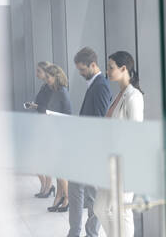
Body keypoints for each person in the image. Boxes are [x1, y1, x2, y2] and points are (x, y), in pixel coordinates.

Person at [94, 51, 144, 237]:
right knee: (100, 207)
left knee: (122, 211)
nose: (107, 71)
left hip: (124, 164)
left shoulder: (134, 96)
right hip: (111, 162)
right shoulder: (120, 95)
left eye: (111, 67)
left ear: (124, 69)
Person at [68, 47, 112, 237]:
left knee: (92, 195)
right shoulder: (95, 84)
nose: (80, 73)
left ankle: (90, 233)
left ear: (93, 65)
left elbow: (100, 122)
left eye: (82, 69)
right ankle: (76, 233)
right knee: (77, 190)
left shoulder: (101, 85)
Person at [44, 64, 72, 212]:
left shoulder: (62, 92)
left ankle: (67, 198)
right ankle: (60, 196)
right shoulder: (54, 91)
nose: (46, 80)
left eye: (48, 77)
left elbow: (67, 115)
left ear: (56, 77)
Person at [30, 61, 55, 198]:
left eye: (38, 71)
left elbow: (48, 108)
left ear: (46, 72)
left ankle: (48, 186)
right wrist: (35, 106)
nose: (36, 73)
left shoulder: (51, 88)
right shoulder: (44, 86)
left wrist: (36, 107)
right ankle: (46, 185)